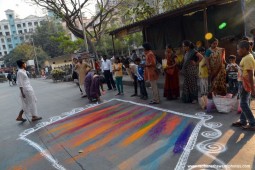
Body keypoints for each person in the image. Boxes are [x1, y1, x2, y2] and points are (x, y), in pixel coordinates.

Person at [232, 40, 255, 131]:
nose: (237, 51)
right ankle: (242, 120)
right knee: (245, 102)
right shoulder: (246, 57)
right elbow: (245, 70)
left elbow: (250, 74)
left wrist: (252, 88)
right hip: (243, 82)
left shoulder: (248, 58)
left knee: (243, 103)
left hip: (245, 83)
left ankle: (252, 123)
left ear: (244, 49)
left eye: (238, 49)